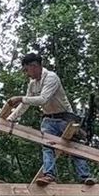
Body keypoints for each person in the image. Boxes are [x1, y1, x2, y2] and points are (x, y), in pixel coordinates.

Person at [14, 52, 93, 186]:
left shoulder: (51, 78)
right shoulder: (33, 84)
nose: (26, 73)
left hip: (65, 118)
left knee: (73, 146)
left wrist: (20, 98)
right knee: (47, 146)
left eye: (26, 70)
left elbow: (43, 99)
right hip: (48, 119)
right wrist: (11, 118)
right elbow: (25, 104)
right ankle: (49, 175)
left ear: (34, 66)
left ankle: (85, 176)